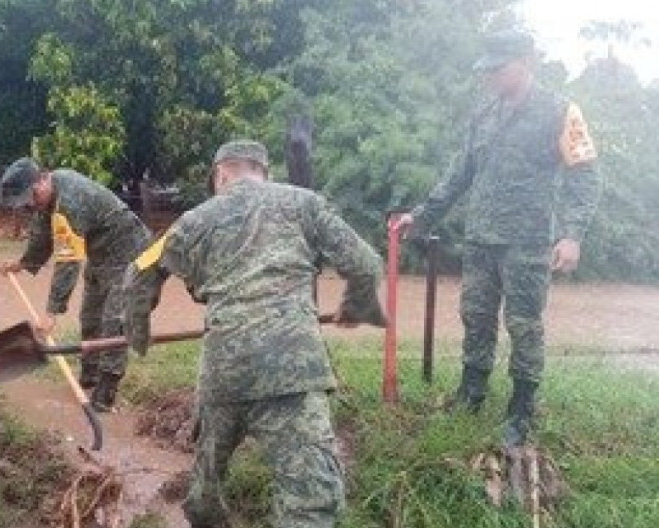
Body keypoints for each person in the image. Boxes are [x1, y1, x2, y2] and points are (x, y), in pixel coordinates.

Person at [124, 140, 387, 528]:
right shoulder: (306, 204)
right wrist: (357, 304)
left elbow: (138, 274)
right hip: (293, 373)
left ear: (221, 175)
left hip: (223, 375)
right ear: (264, 172)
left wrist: (138, 336)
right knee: (310, 501)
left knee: (206, 491)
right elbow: (366, 263)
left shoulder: (196, 219)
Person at [394, 29, 602, 446]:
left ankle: (521, 411)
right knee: (476, 318)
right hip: (481, 239)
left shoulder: (561, 110)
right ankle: (472, 393)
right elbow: (459, 173)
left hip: (527, 242)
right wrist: (419, 218)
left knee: (524, 325)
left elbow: (586, 174)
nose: (488, 75)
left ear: (525, 62)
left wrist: (572, 235)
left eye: (497, 67)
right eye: (485, 68)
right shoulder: (483, 112)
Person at [0, 157, 150, 412]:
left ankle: (105, 392)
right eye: (27, 201)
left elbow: (68, 262)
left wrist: (51, 313)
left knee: (114, 321)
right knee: (89, 316)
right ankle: (89, 376)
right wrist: (23, 263)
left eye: (33, 195)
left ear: (44, 177)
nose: (32, 203)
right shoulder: (48, 200)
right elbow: (42, 232)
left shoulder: (70, 201)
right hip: (101, 253)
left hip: (129, 253)